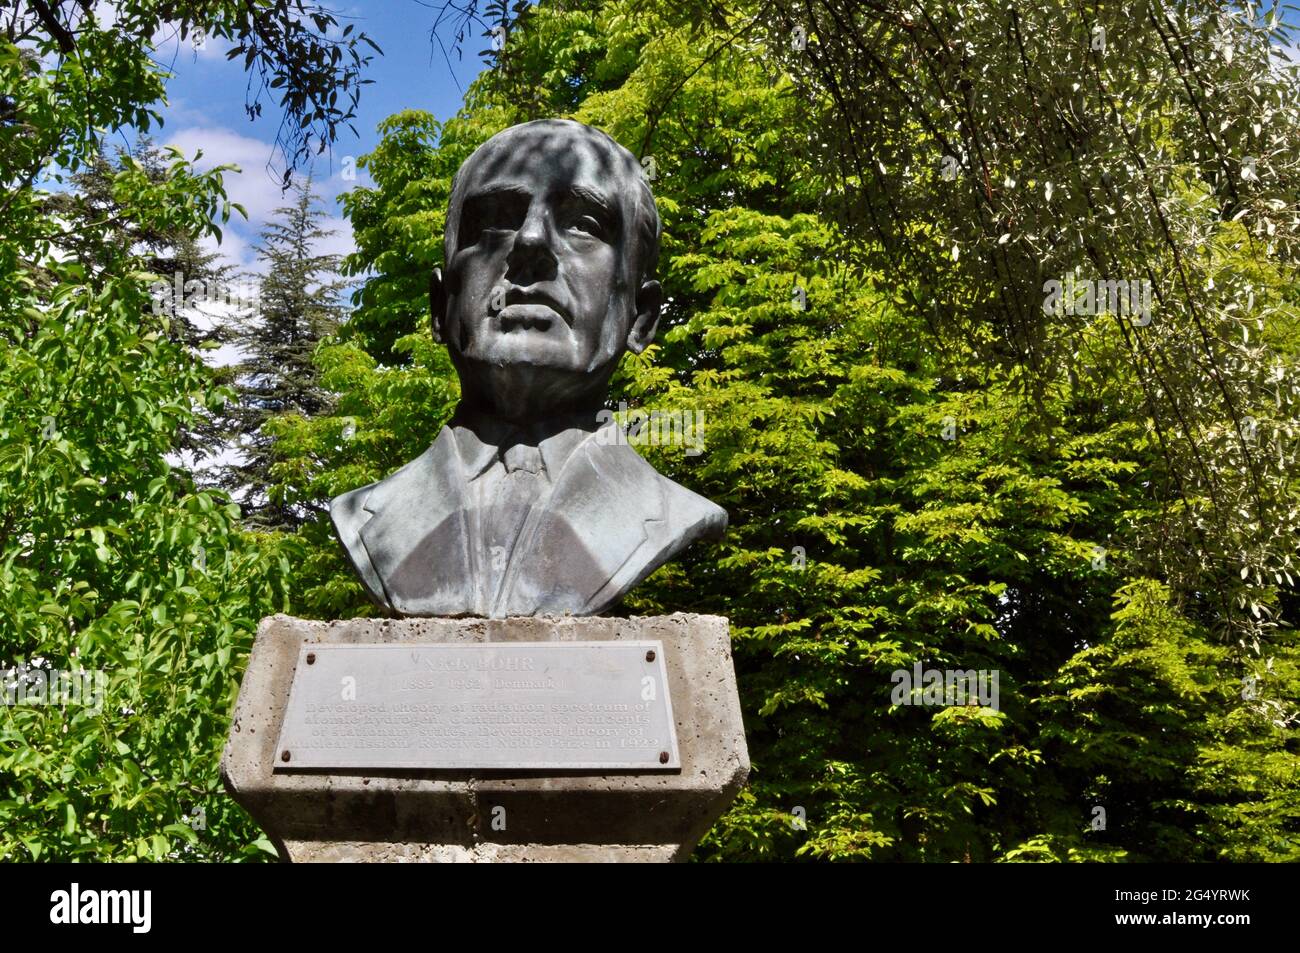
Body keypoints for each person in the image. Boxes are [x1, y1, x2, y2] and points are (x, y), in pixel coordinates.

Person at [330, 119, 726, 617]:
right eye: (496, 219)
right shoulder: (360, 516)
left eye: (584, 225)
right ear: (440, 305)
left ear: (640, 319)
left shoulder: (672, 514)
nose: (531, 241)